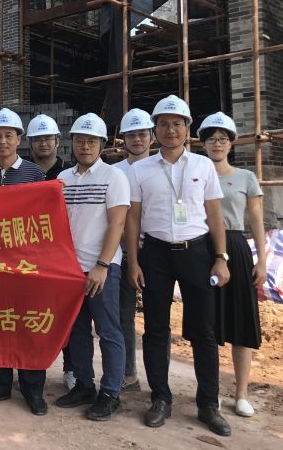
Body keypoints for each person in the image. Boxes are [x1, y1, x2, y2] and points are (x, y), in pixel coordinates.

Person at [125, 94, 232, 436]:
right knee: (156, 330)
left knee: (204, 331)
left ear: (187, 128)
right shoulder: (140, 170)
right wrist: (134, 262)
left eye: (177, 124)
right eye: (163, 124)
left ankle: (208, 404)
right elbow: (133, 218)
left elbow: (215, 215)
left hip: (197, 252)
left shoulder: (203, 166)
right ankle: (160, 398)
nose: (170, 130)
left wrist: (221, 258)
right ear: (154, 130)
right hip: (155, 254)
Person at [0, 108, 48, 416]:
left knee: (28, 324)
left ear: (19, 139)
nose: (3, 141)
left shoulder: (34, 173)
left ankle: (33, 389)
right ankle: (0, 383)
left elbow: (44, 219)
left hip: (26, 265)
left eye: (9, 135)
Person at [55, 113, 129, 421]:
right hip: (70, 269)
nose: (85, 146)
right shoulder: (63, 179)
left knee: (108, 331)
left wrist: (102, 264)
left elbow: (117, 223)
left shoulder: (114, 177)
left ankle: (111, 393)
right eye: (80, 141)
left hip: (102, 269)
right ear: (71, 143)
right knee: (77, 331)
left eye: (92, 141)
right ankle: (84, 384)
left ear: (101, 144)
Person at [198, 111, 266, 418]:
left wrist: (262, 259)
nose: (217, 143)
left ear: (231, 143)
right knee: (206, 323)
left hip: (236, 249)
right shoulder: (195, 175)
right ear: (203, 143)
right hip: (203, 248)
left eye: (223, 138)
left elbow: (256, 220)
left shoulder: (245, 178)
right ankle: (208, 391)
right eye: (211, 139)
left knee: (241, 320)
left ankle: (241, 394)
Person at [26, 113, 76, 390]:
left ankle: (71, 368)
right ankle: (30, 369)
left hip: (62, 253)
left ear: (58, 141)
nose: (43, 143)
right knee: (31, 314)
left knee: (66, 314)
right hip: (30, 255)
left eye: (48, 138)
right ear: (30, 143)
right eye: (38, 139)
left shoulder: (69, 173)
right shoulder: (25, 173)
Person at [114, 108, 154, 393]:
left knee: (157, 320)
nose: (137, 139)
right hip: (123, 253)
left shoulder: (162, 167)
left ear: (151, 136)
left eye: (142, 134)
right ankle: (128, 374)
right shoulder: (116, 172)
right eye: (131, 135)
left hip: (157, 251)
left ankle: (159, 381)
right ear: (123, 139)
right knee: (123, 316)